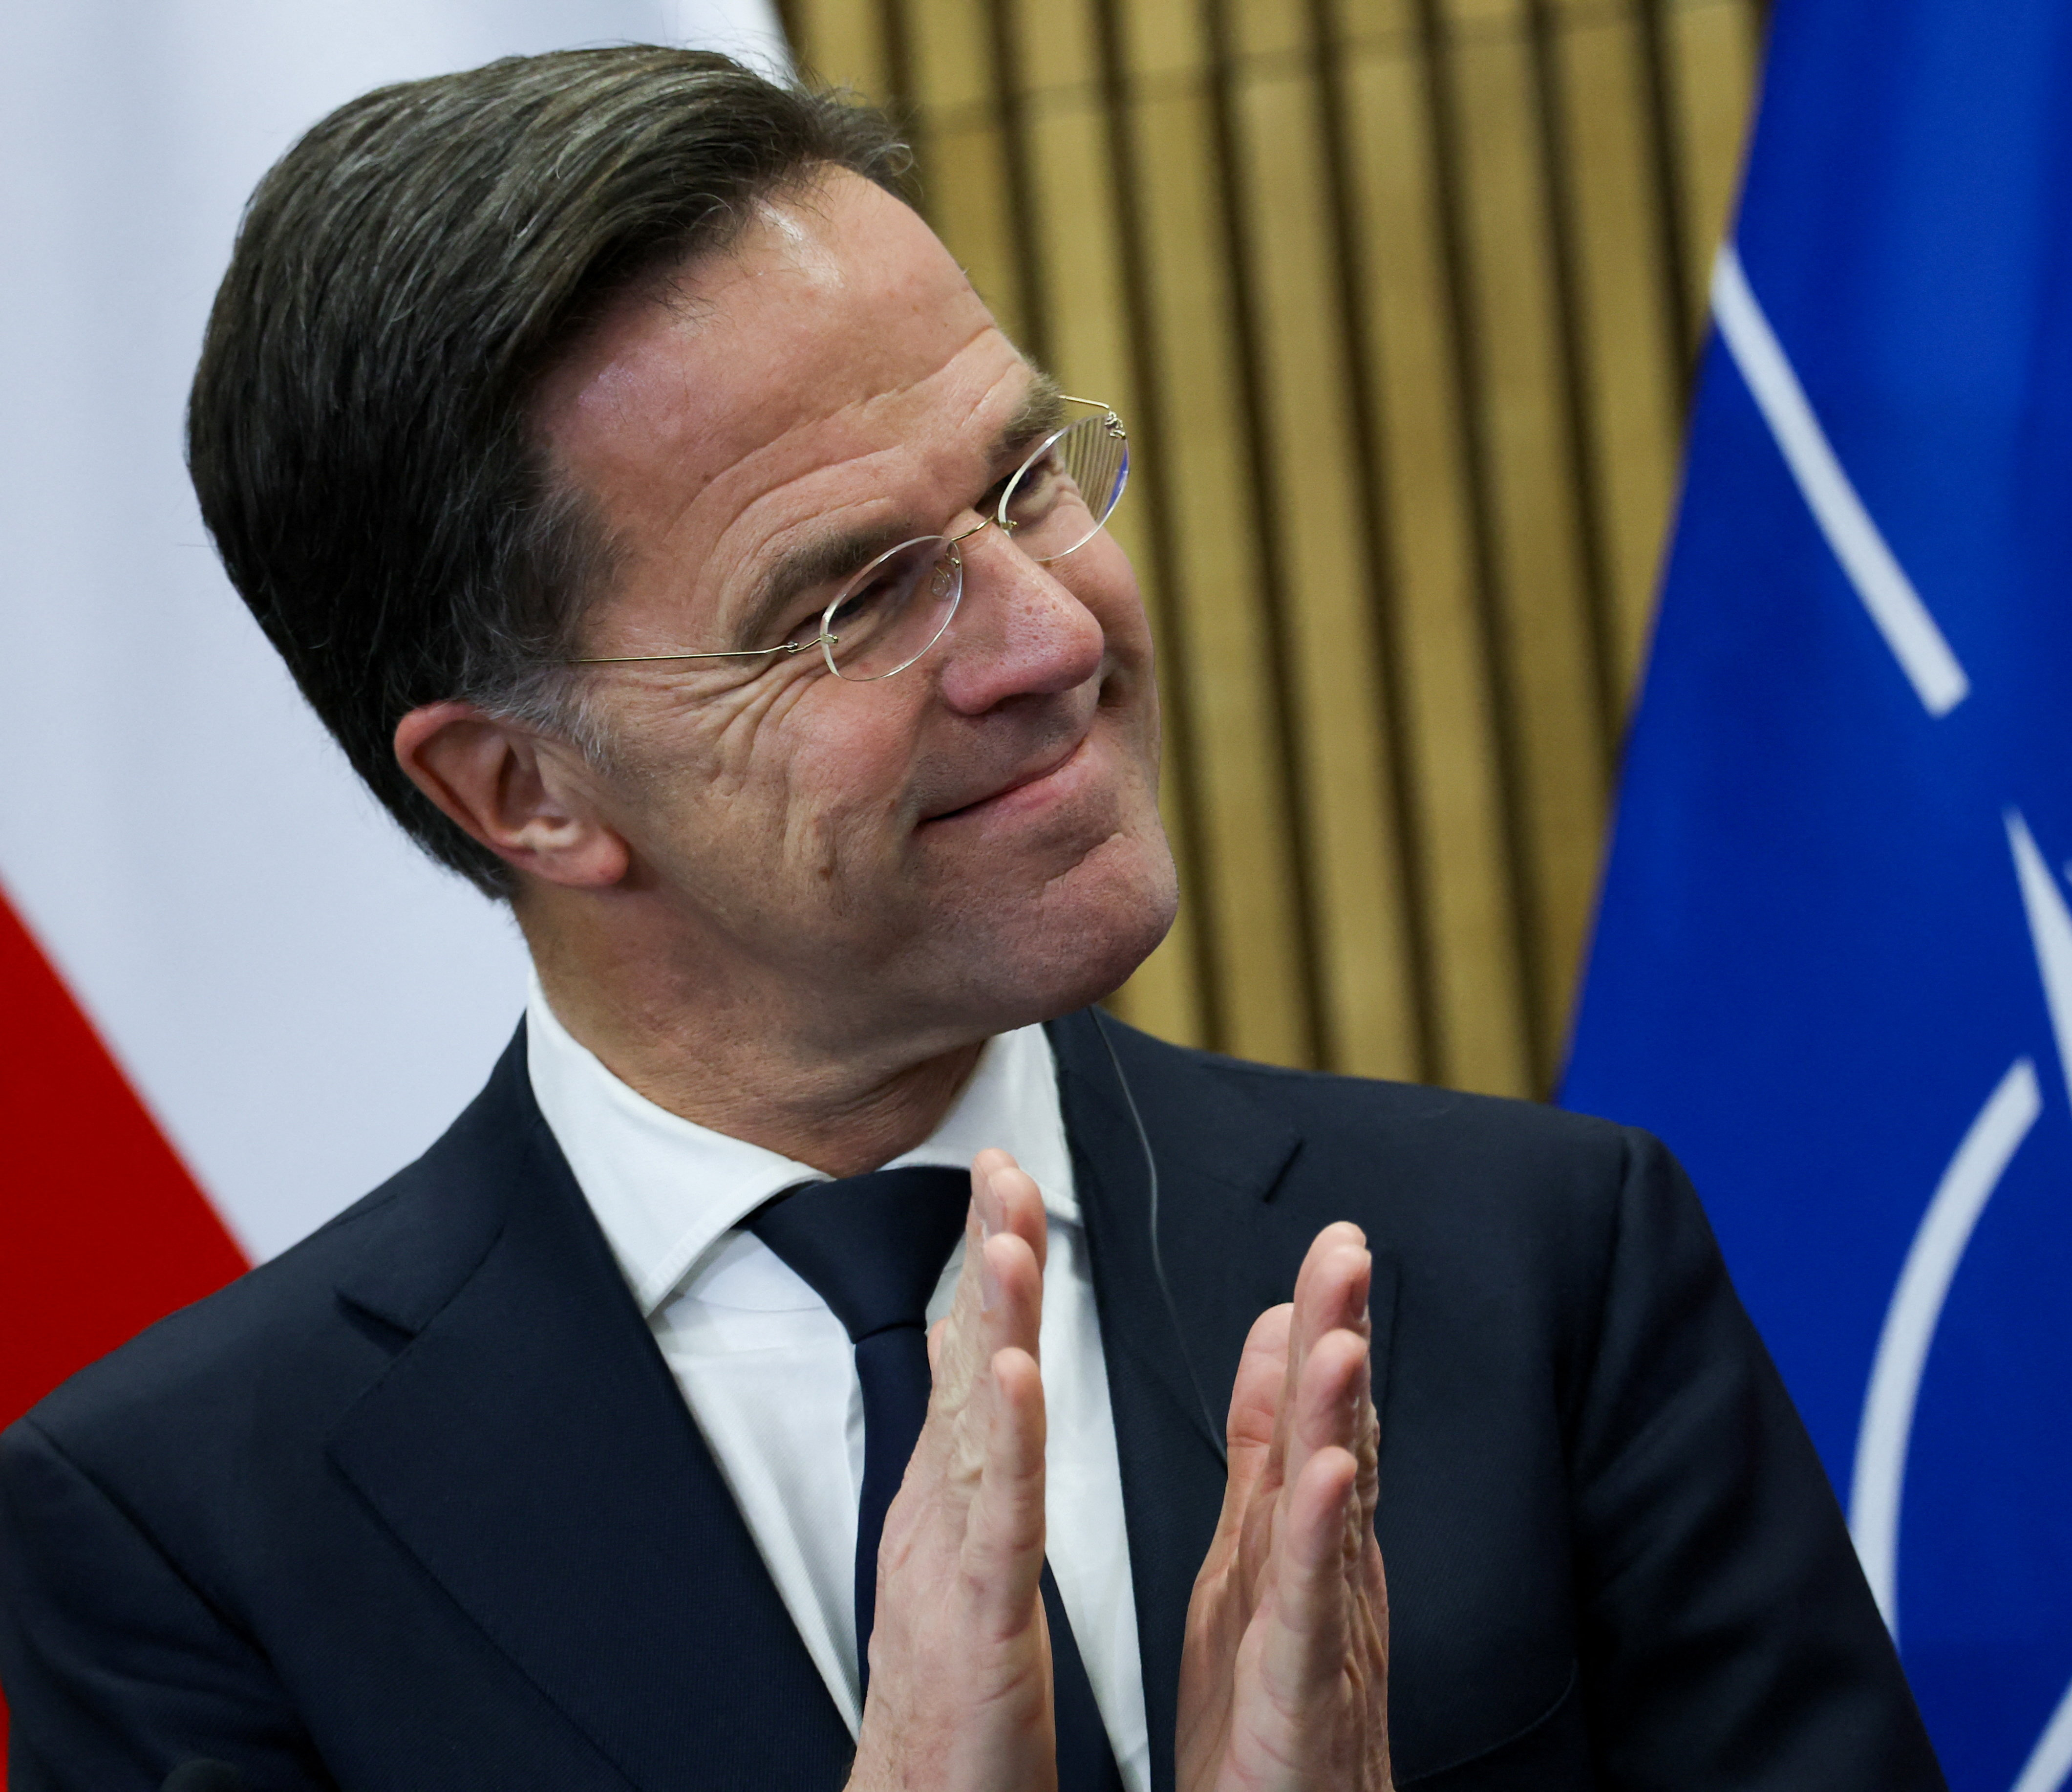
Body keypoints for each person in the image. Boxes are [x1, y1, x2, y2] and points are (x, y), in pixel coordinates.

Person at [0, 46, 1942, 1792]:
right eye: (853, 595)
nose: (1053, 630)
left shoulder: (1544, 1273)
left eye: (1028, 476)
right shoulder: (191, 1534)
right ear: (527, 789)